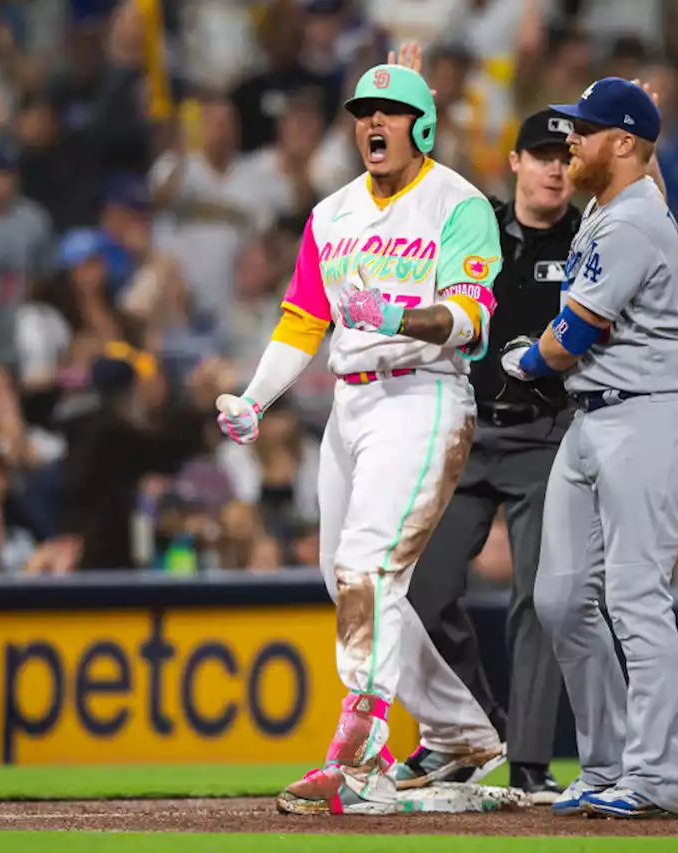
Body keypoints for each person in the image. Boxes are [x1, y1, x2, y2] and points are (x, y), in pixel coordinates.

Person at [215, 58, 505, 816]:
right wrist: (255, 397)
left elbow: (472, 319)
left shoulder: (458, 202)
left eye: (391, 110)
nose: (374, 122)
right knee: (347, 577)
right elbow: (301, 321)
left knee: (367, 567)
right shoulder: (331, 212)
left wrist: (396, 317)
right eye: (364, 111)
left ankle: (363, 751)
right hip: (350, 406)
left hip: (423, 395)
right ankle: (461, 731)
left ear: (423, 124)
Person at [501, 77, 678, 819]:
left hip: (649, 419)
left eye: (587, 133)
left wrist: (525, 361)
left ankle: (653, 778)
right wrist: (636, 117)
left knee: (634, 600)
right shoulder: (620, 200)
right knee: (561, 599)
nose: (572, 145)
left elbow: (571, 337)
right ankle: (603, 766)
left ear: (621, 144)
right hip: (596, 422)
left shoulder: (629, 222)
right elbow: (645, 170)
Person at [391, 107, 580, 801]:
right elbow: (407, 207)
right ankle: (478, 725)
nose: (554, 167)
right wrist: (410, 118)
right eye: (540, 154)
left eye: (564, 156)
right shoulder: (477, 223)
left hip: (547, 434)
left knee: (541, 598)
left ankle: (529, 760)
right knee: (424, 586)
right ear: (516, 161)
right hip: (468, 428)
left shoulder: (593, 236)